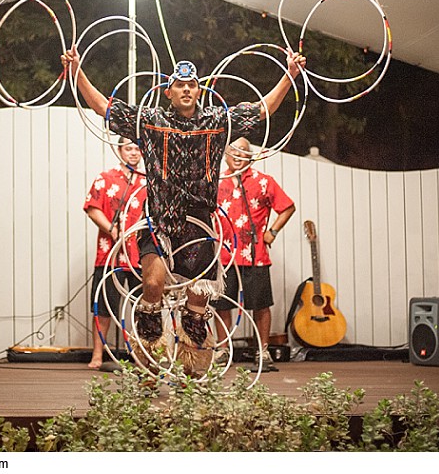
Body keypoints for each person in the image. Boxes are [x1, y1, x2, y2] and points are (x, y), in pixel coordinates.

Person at [61, 49, 306, 376]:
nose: (187, 90)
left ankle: (192, 369)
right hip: (160, 222)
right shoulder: (150, 122)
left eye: (192, 84)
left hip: (201, 226)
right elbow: (105, 108)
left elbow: (262, 110)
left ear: (199, 90)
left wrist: (290, 74)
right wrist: (77, 71)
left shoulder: (216, 122)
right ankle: (148, 362)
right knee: (152, 285)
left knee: (197, 304)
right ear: (169, 91)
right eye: (180, 85)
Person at [214, 138, 295, 373]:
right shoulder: (216, 181)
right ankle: (223, 350)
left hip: (255, 254)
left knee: (260, 305)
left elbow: (287, 207)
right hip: (224, 255)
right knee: (221, 304)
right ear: (225, 155)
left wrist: (273, 232)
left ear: (251, 156)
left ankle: (262, 351)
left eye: (244, 152)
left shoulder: (263, 182)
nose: (238, 156)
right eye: (233, 152)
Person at [83, 138, 147, 370]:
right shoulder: (105, 178)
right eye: (128, 148)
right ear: (119, 150)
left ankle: (145, 356)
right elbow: (92, 208)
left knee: (145, 307)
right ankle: (98, 355)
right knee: (104, 306)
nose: (133, 153)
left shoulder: (146, 182)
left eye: (137, 149)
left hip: (140, 256)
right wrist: (114, 230)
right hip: (110, 254)